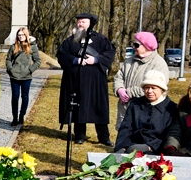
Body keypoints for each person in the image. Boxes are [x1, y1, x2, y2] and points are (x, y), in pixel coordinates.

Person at [57, 12, 116, 146]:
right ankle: (79, 135)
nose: (80, 24)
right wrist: (76, 60)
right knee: (79, 106)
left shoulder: (100, 39)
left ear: (90, 23)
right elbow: (61, 54)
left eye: (83, 21)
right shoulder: (71, 40)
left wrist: (95, 59)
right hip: (76, 80)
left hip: (96, 82)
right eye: (79, 22)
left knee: (99, 107)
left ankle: (103, 137)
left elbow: (110, 53)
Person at [113, 70, 180, 154]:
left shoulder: (172, 108)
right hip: (131, 145)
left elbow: (169, 135)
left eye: (153, 88)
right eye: (146, 87)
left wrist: (151, 147)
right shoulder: (135, 104)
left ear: (162, 89)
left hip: (156, 149)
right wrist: (123, 147)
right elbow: (126, 128)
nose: (149, 91)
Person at [112, 31, 168, 129]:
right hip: (125, 108)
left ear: (147, 46)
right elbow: (118, 77)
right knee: (123, 137)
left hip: (145, 109)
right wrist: (119, 89)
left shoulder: (159, 64)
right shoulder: (129, 60)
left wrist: (129, 92)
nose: (133, 47)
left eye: (136, 45)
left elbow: (157, 88)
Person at [5, 26, 41, 126]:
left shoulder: (32, 47)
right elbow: (8, 59)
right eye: (19, 35)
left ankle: (22, 115)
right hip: (14, 76)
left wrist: (30, 70)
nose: (20, 37)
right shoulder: (14, 46)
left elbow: (38, 61)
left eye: (22, 35)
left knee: (25, 97)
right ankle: (15, 118)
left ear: (26, 35)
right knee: (15, 97)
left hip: (26, 77)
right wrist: (10, 69)